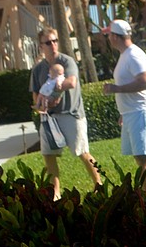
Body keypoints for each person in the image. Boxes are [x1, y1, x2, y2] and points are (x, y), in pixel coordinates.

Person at [102, 19, 146, 200]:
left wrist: (116, 89)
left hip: (140, 112)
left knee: (143, 158)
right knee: (141, 156)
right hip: (131, 113)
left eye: (109, 35)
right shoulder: (125, 55)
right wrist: (123, 113)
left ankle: (144, 200)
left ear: (115, 37)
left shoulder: (134, 55)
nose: (108, 38)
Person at [30, 28, 102, 199]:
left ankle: (99, 184)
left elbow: (72, 82)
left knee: (82, 152)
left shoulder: (67, 61)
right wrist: (41, 106)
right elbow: (35, 95)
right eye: (48, 42)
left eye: (55, 41)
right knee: (48, 155)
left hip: (71, 114)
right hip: (49, 118)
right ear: (41, 46)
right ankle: (55, 193)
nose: (53, 45)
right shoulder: (38, 69)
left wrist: (54, 93)